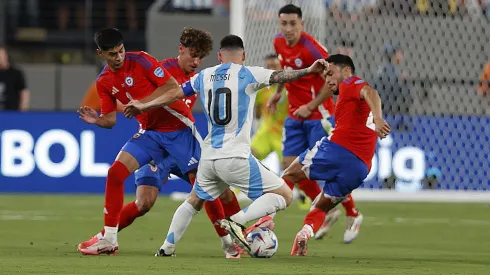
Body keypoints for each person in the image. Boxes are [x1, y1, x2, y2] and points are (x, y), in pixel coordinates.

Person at [123, 34, 328, 256]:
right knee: (285, 195)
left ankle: (166, 248)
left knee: (194, 201)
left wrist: (145, 105)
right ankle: (236, 221)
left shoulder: (204, 75)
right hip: (236, 157)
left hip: (209, 158)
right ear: (244, 56)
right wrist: (308, 70)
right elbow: (282, 76)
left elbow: (174, 93)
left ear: (219, 56)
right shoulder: (248, 73)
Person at [77, 28, 197, 255]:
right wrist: (97, 120)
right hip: (150, 134)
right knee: (116, 174)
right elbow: (110, 120)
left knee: (206, 187)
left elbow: (172, 88)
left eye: (121, 51)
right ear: (100, 53)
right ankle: (109, 239)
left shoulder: (141, 60)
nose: (119, 57)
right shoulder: (104, 81)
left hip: (179, 131)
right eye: (112, 54)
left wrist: (142, 103)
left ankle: (230, 242)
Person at [268, 3, 363, 242]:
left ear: (302, 24)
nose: (288, 29)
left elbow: (330, 81)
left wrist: (310, 106)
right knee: (290, 165)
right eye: (284, 24)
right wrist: (279, 92)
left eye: (292, 23)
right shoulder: (278, 43)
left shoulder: (313, 49)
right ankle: (323, 209)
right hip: (294, 114)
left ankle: (353, 213)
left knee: (329, 170)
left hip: (318, 115)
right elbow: (284, 68)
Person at [284, 54, 390, 256]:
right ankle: (305, 234)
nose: (328, 80)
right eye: (325, 77)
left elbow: (371, 91)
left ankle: (263, 224)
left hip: (338, 150)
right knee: (322, 206)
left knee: (287, 176)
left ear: (347, 71)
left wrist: (378, 118)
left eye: (331, 74)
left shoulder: (351, 83)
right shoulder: (349, 98)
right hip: (360, 167)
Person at [0, 46, 30, 111]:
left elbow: (23, 91)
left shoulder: (15, 73)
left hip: (12, 111)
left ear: (6, 56)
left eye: (1, 56)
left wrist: (23, 108)